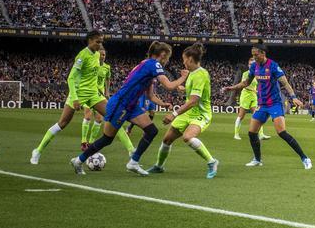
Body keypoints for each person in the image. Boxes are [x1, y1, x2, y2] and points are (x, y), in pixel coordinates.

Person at [73, 41, 189, 175]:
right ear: (162, 55)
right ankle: (78, 160)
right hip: (121, 104)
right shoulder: (154, 64)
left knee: (151, 130)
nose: (167, 61)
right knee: (107, 139)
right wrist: (183, 77)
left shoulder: (145, 65)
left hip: (131, 105)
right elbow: (169, 86)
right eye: (167, 57)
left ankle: (133, 162)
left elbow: (150, 96)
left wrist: (162, 104)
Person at [31, 32, 134, 164]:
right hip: (78, 94)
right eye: (97, 42)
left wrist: (101, 92)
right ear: (90, 41)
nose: (100, 44)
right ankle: (38, 151)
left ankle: (132, 151)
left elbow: (93, 76)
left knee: (114, 118)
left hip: (93, 94)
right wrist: (74, 98)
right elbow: (71, 78)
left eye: (101, 42)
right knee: (62, 123)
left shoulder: (97, 55)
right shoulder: (82, 56)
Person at [222, 43, 311, 169]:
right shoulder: (254, 67)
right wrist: (232, 88)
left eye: (256, 55)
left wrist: (294, 97)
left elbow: (285, 83)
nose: (254, 57)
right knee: (252, 133)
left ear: (263, 53)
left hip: (274, 103)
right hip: (262, 104)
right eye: (252, 55)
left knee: (281, 132)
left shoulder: (273, 66)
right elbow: (246, 82)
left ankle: (305, 158)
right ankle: (257, 160)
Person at [148, 44, 219, 178]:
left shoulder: (200, 75)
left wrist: (173, 114)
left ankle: (212, 162)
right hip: (188, 113)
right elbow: (196, 92)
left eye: (184, 59)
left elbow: (193, 101)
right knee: (167, 140)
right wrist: (184, 89)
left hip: (201, 114)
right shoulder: (192, 73)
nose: (183, 62)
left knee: (188, 137)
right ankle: (159, 166)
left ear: (190, 59)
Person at [232, 56, 269, 141]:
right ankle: (236, 134)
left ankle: (261, 134)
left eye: (252, 64)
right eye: (249, 64)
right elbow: (245, 85)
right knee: (241, 116)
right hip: (246, 96)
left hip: (254, 96)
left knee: (257, 115)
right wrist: (255, 90)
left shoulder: (257, 74)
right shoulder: (246, 73)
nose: (250, 65)